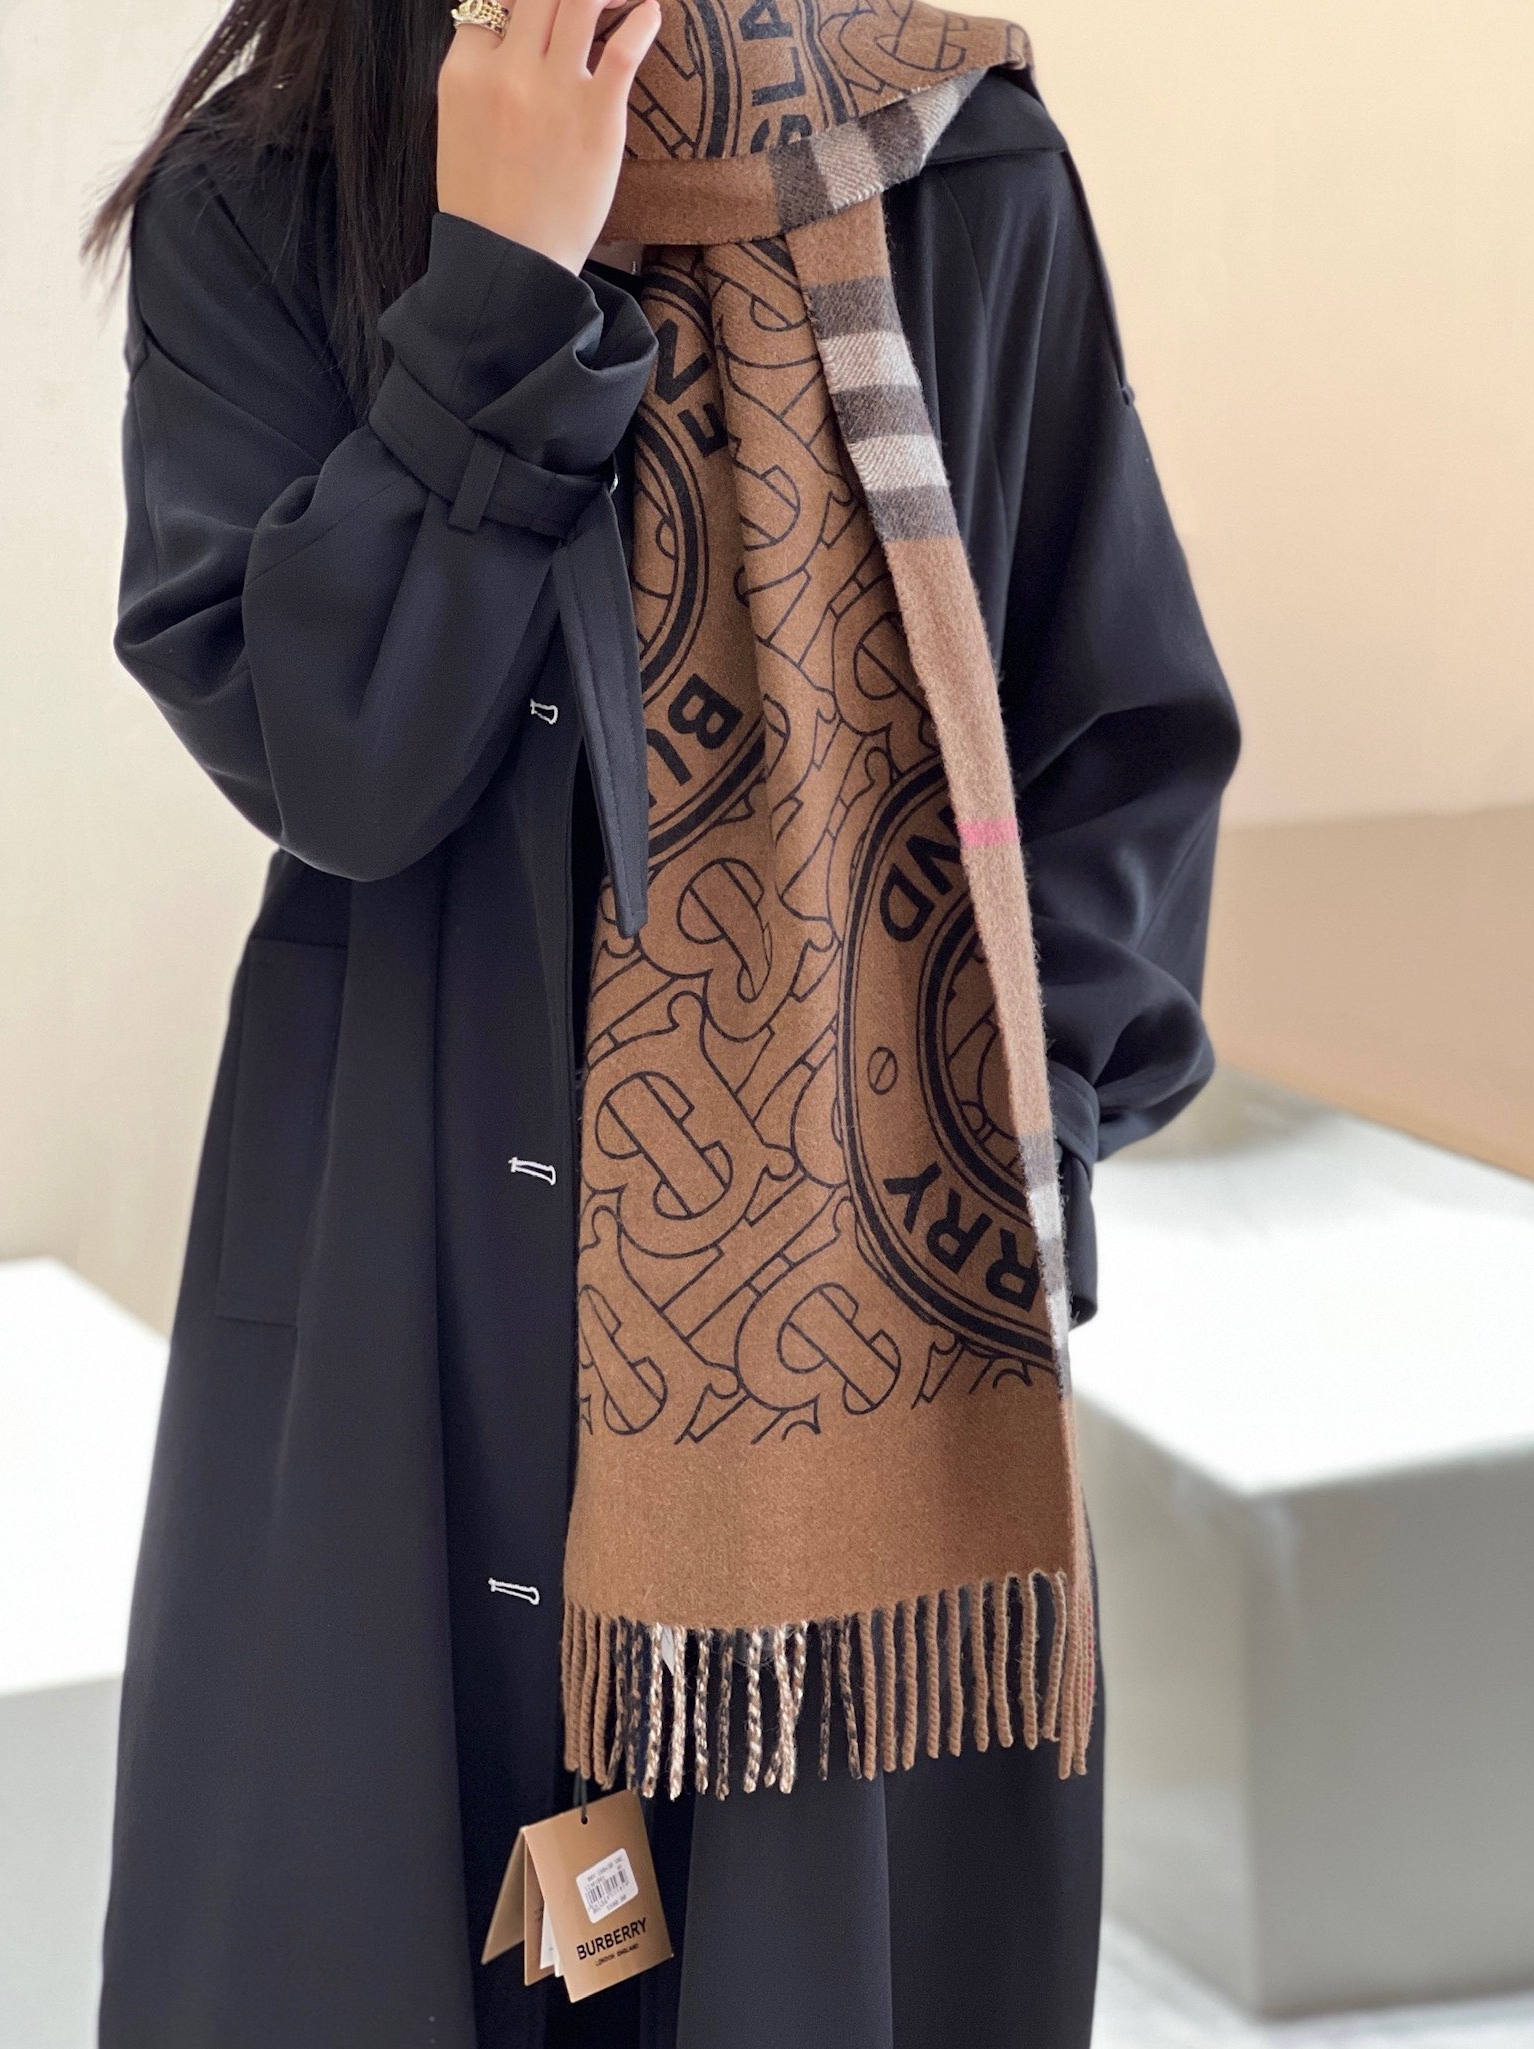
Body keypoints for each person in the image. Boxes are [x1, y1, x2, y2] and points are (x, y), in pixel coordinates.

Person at [87, 0, 1239, 2043]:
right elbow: (343, 765)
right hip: (397, 1337)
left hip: (852, 1403)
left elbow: (1108, 738)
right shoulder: (269, 196)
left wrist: (992, 1165)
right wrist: (499, 288)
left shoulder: (957, 165)